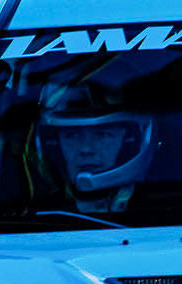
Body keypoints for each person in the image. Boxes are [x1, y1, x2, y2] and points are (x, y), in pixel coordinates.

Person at [27, 77, 155, 213]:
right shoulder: (30, 214)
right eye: (71, 135)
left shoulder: (160, 212)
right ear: (55, 146)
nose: (86, 149)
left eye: (103, 135)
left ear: (129, 143)